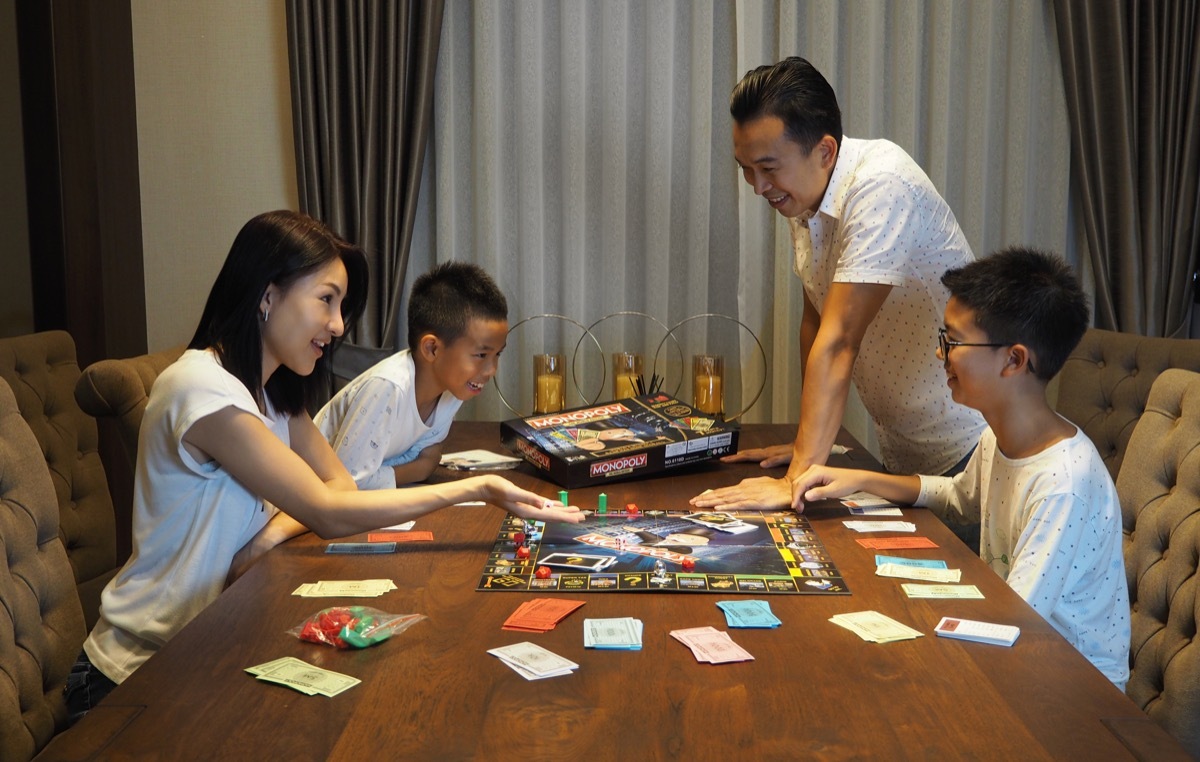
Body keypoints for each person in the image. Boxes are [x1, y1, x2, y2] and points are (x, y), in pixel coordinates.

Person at [65, 211, 582, 723]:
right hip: (133, 676)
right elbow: (331, 508)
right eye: (326, 300)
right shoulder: (203, 389)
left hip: (208, 651)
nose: (337, 326)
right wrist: (477, 488)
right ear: (267, 295)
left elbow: (337, 485)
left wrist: (271, 536)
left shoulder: (273, 396)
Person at [789, 247, 1130, 688]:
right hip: (1019, 657)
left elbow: (1016, 618)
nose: (939, 352)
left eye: (952, 341)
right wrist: (858, 480)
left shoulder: (1063, 484)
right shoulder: (999, 436)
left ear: (1014, 360)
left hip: (1072, 688)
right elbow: (960, 498)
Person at [691, 56, 986, 516]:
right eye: (747, 168)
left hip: (964, 453)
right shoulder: (807, 193)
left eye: (768, 168)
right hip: (902, 452)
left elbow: (840, 340)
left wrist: (796, 480)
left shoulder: (879, 184)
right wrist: (809, 445)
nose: (757, 186)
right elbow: (817, 320)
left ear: (825, 151)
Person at [315, 261, 508, 488]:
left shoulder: (453, 390)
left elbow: (425, 457)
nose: (491, 370)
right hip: (302, 496)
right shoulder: (388, 387)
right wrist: (420, 469)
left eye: (498, 354)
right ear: (432, 349)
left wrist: (419, 466)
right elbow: (348, 483)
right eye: (481, 355)